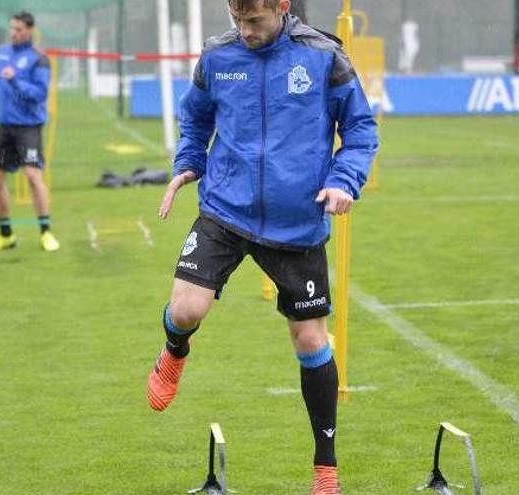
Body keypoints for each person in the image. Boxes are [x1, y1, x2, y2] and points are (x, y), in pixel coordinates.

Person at [145, 1, 378, 493]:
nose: (244, 31)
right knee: (186, 309)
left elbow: (359, 129)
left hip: (297, 220)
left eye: (254, 21)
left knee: (311, 342)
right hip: (225, 209)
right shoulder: (216, 56)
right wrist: (188, 164)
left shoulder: (323, 56)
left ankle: (326, 471)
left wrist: (344, 181)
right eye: (237, 20)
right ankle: (173, 350)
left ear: (283, 7)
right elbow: (196, 121)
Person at [0, 10, 59, 253]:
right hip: (6, 127)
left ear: (30, 30)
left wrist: (15, 81)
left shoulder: (38, 58)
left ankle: (45, 231)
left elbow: (39, 94)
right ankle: (6, 234)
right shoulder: (2, 53)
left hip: (29, 127)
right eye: (11, 28)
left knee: (32, 176)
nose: (13, 33)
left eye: (18, 29)